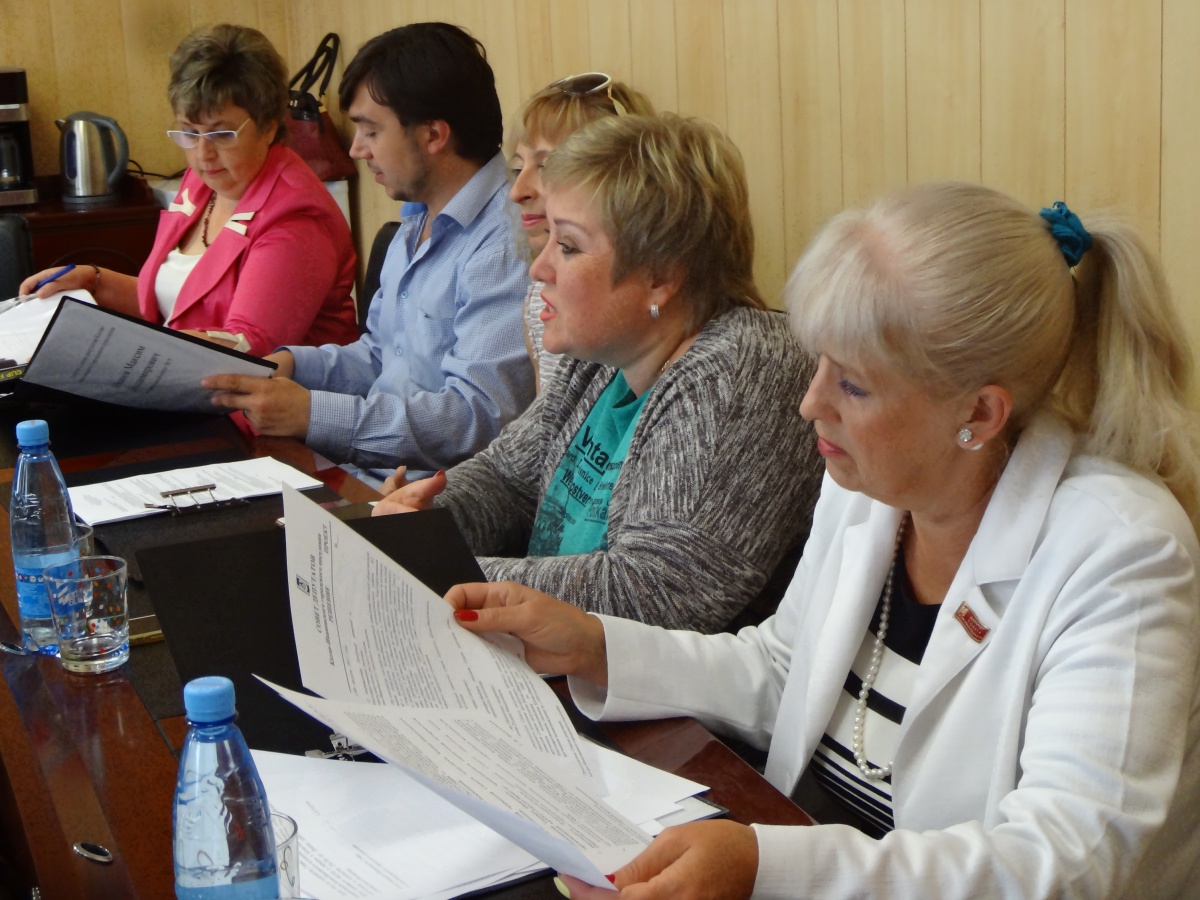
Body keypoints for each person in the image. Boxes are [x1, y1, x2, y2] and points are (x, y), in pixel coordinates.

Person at [446, 183, 1200, 897]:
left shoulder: (1122, 551)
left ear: (979, 414)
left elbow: (1067, 862)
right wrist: (594, 646)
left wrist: (768, 864)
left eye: (854, 385)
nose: (811, 403)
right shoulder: (870, 485)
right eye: (821, 366)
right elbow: (783, 671)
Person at [374, 114, 823, 633]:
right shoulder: (605, 353)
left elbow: (655, 592)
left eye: (567, 246)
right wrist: (427, 520)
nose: (538, 268)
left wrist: (438, 566)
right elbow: (508, 478)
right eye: (549, 238)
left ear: (660, 277)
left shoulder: (742, 370)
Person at [202, 23, 534, 485]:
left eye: (371, 131)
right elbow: (382, 356)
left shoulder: (506, 240)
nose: (356, 149)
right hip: (365, 476)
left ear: (433, 135)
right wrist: (292, 366)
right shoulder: (418, 217)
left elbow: (476, 418)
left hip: (435, 501)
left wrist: (313, 414)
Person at [20, 24, 358, 357]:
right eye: (189, 132)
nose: (202, 154)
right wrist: (93, 281)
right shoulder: (205, 182)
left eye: (221, 134)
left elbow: (246, 350)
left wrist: (117, 351)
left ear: (269, 127)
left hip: (264, 390)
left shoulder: (296, 219)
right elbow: (178, 303)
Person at [508, 73, 655, 392]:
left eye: (546, 166)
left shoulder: (634, 320)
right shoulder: (538, 300)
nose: (517, 191)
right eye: (518, 168)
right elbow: (547, 419)